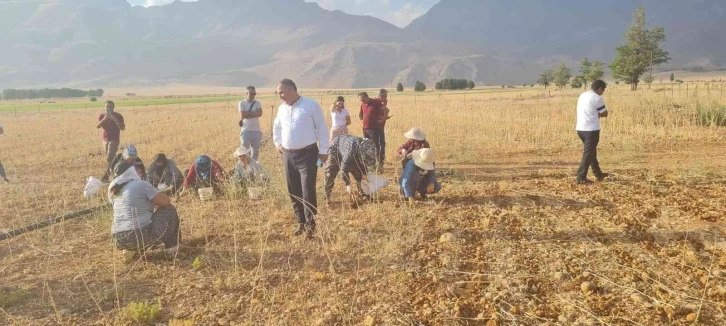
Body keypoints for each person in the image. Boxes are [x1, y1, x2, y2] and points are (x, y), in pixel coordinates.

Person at [273, 78, 329, 237]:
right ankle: (301, 222)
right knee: (293, 189)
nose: (280, 95)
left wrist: (324, 151)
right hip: (288, 155)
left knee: (307, 190)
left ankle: (311, 224)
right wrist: (278, 143)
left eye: (281, 92)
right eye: (279, 93)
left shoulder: (310, 105)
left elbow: (322, 129)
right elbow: (276, 128)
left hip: (308, 154)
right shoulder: (281, 109)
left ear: (291, 90)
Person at [109, 161, 180, 255]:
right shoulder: (140, 184)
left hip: (117, 239)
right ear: (131, 172)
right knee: (169, 209)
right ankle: (172, 248)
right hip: (138, 235)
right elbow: (166, 201)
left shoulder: (115, 191)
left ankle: (130, 250)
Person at [575, 80, 609, 185]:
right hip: (591, 129)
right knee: (588, 153)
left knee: (591, 152)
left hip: (580, 128)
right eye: (603, 90)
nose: (603, 92)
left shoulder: (583, 95)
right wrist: (598, 114)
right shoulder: (597, 98)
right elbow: (605, 113)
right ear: (599, 88)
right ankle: (581, 178)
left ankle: (598, 174)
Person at [324, 135, 377, 202]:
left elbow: (363, 169)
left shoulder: (369, 147)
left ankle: (363, 194)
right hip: (336, 148)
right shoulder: (350, 153)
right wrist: (348, 185)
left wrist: (365, 178)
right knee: (330, 172)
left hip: (353, 153)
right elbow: (343, 170)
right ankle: (327, 195)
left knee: (360, 174)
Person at [97, 101, 125, 182]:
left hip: (114, 139)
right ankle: (118, 170)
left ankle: (106, 175)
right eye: (106, 107)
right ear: (104, 107)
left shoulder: (118, 116)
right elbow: (98, 126)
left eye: (110, 107)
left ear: (113, 107)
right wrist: (105, 119)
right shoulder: (102, 116)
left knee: (109, 157)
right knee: (110, 158)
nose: (108, 108)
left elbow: (122, 128)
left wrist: (115, 119)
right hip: (105, 139)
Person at [358, 92, 386, 172]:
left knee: (375, 147)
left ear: (367, 97)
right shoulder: (362, 104)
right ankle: (371, 165)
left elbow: (386, 110)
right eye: (360, 100)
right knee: (367, 147)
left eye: (363, 99)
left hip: (374, 128)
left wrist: (383, 119)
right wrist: (362, 121)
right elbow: (360, 114)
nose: (362, 101)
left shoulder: (375, 102)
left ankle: (379, 165)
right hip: (365, 129)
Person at [239, 86, 263, 161]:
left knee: (255, 153)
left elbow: (259, 114)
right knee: (244, 152)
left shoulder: (257, 103)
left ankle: (253, 169)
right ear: (246, 93)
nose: (253, 95)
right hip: (246, 131)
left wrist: (248, 113)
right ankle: (245, 168)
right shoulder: (241, 103)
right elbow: (242, 115)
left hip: (256, 131)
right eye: (251, 93)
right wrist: (254, 113)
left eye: (254, 94)